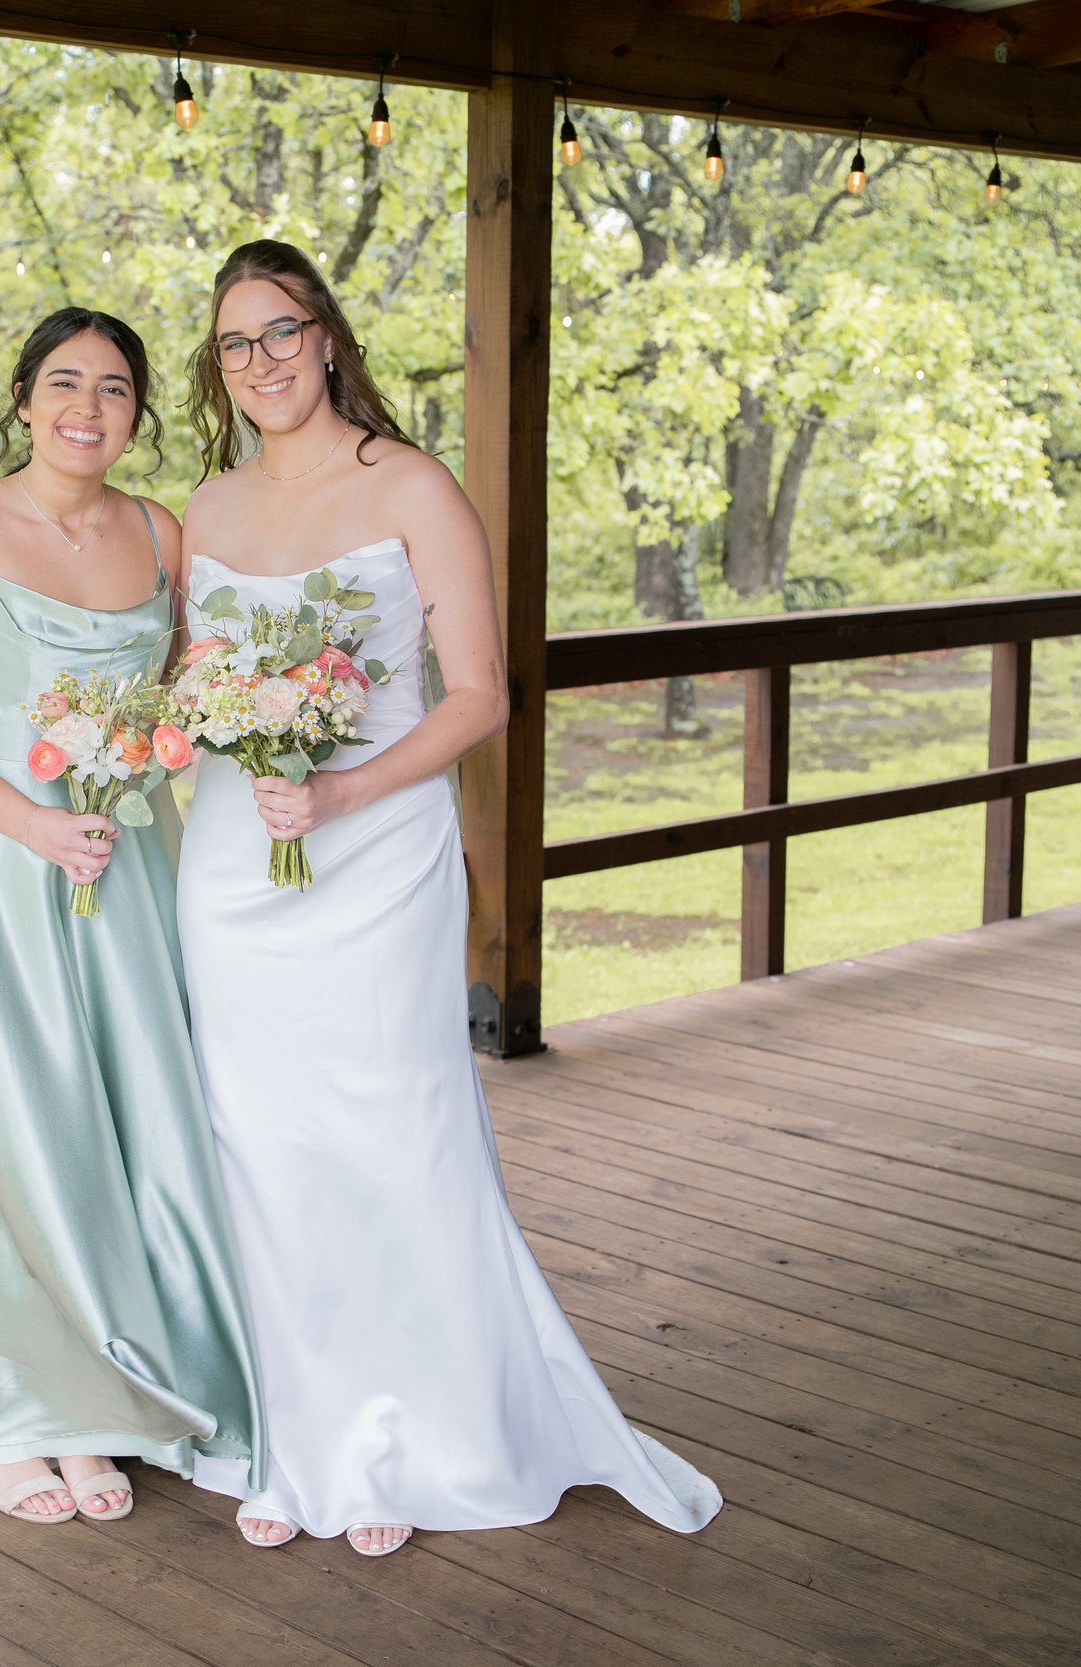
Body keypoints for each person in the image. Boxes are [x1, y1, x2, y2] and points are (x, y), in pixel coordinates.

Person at [176, 242, 721, 1556]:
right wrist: (219, 733)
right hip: (237, 858)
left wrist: (350, 792)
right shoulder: (206, 504)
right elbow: (196, 681)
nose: (262, 362)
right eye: (235, 344)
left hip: (380, 847)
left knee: (391, 1127)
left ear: (327, 333)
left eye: (282, 330)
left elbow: (479, 691)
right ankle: (297, 1434)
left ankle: (413, 1436)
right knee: (260, 1140)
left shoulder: (413, 484)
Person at [0, 307, 262, 1524]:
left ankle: (100, 1391)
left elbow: (191, 695)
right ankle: (10, 1407)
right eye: (63, 383)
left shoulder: (161, 533)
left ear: (139, 412)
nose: (87, 408)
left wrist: (178, 742)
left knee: (124, 1119)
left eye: (114, 389)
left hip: (127, 864)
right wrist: (29, 821)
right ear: (25, 400)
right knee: (13, 1126)